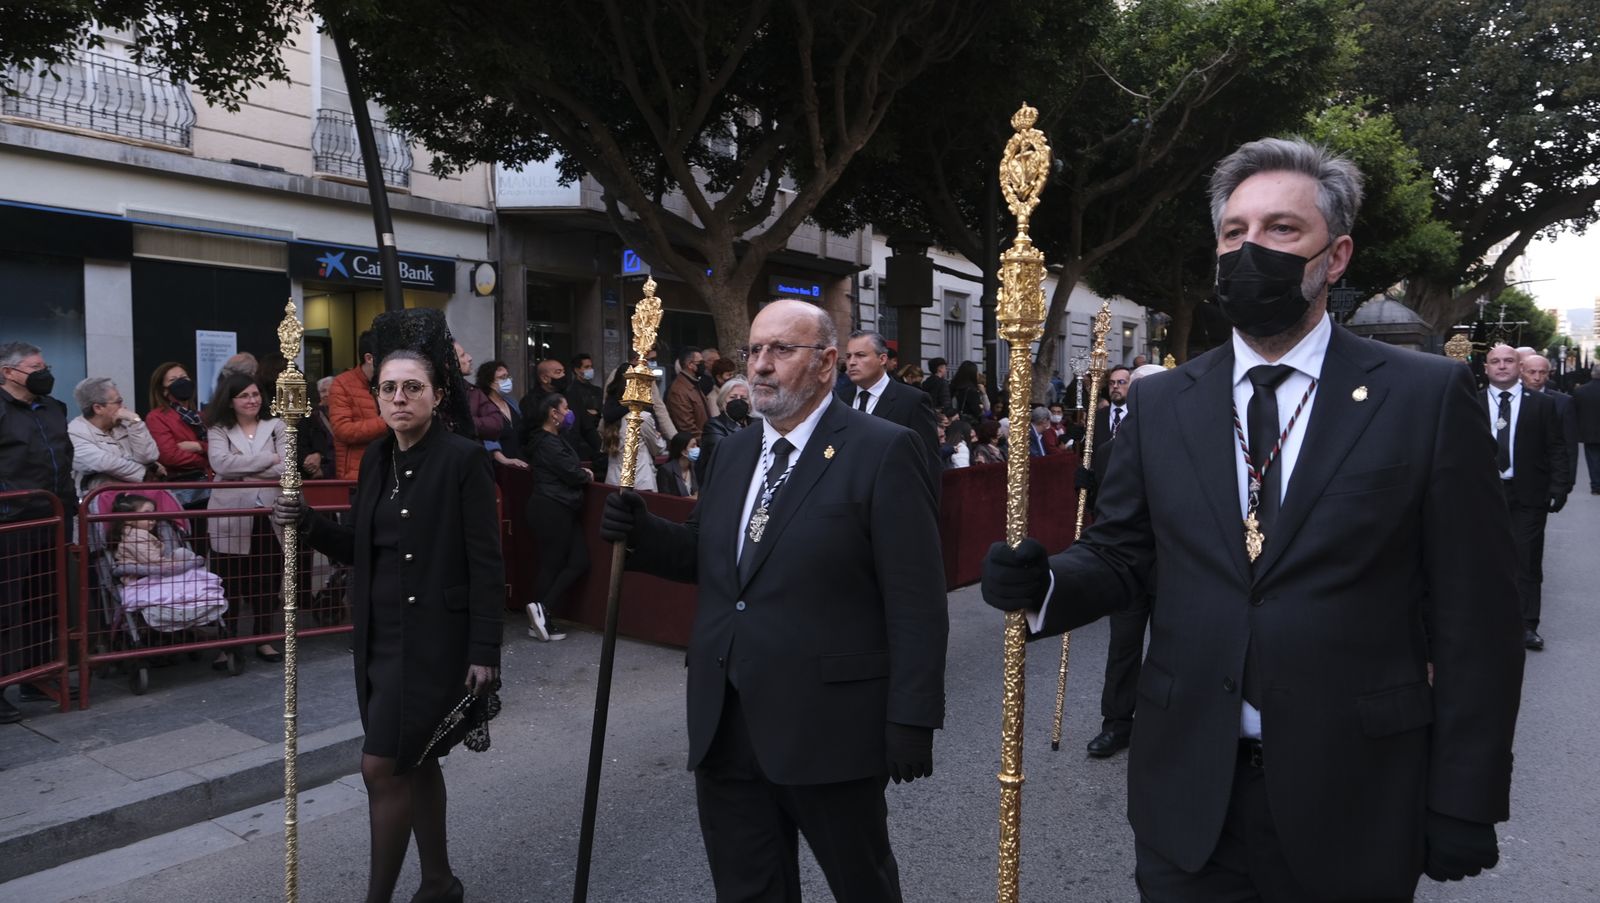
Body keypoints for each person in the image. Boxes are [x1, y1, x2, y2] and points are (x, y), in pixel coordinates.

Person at [981, 137, 1523, 901]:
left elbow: (1478, 616)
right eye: (1234, 232)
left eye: (1281, 229)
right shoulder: (1163, 401)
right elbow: (1121, 553)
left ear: (1335, 257)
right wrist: (1043, 585)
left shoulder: (1423, 397)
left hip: (1356, 791)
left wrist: (1466, 795)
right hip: (1189, 796)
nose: (1250, 249)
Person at [600, 299, 946, 902]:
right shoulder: (733, 452)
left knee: (862, 885)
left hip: (829, 724)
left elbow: (915, 596)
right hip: (726, 717)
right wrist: (642, 532)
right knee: (748, 890)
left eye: (781, 350)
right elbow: (711, 558)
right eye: (754, 350)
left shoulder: (882, 449)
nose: (760, 365)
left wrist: (913, 716)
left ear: (826, 363)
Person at [272, 348, 503, 903]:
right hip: (379, 637)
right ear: (376, 396)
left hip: (436, 642)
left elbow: (486, 562)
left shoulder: (463, 459)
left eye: (412, 387)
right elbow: (361, 545)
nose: (399, 398)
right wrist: (307, 523)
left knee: (382, 766)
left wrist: (485, 648)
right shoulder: (376, 458)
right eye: (389, 388)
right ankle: (440, 882)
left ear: (437, 395)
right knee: (414, 761)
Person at [0, 342, 75, 722]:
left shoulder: (54, 408)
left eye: (46, 366)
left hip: (55, 517)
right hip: (12, 521)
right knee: (6, 606)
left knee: (44, 601)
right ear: (8, 372)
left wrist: (70, 506)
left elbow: (65, 457)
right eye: (35, 367)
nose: (44, 373)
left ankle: (36, 674)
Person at [1083, 362, 1150, 760]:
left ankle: (1174, 722)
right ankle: (1116, 723)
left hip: (1176, 565)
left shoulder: (1191, 446)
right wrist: (1086, 486)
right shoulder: (1109, 451)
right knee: (1123, 646)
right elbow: (1102, 513)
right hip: (1129, 565)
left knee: (1176, 646)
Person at [1484, 343, 1570, 650]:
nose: (1502, 366)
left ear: (1519, 367)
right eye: (1495, 361)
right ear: (1486, 368)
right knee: (1484, 558)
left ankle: (1526, 625)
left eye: (1508, 360)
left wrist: (1560, 486)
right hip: (1483, 495)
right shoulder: (1470, 402)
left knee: (1526, 559)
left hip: (1528, 494)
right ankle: (1487, 621)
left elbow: (1556, 447)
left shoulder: (1542, 404)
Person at [205, 372, 287, 663]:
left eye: (255, 394)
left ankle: (263, 640)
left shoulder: (277, 425)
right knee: (229, 581)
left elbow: (287, 466)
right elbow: (221, 463)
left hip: (269, 514)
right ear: (230, 401)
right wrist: (269, 459)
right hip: (230, 515)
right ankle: (227, 644)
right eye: (244, 396)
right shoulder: (218, 429)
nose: (252, 400)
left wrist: (243, 471)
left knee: (267, 579)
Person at [108, 494, 229, 654]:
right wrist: (178, 564)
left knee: (182, 557)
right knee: (187, 566)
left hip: (149, 573)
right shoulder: (136, 537)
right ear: (128, 519)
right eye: (147, 514)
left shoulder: (135, 534)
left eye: (154, 513)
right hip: (143, 578)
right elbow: (154, 562)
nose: (153, 519)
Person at [523, 393, 592, 643]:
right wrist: (584, 474)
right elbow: (572, 473)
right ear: (553, 413)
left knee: (578, 561)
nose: (569, 412)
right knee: (552, 564)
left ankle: (541, 610)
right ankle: (541, 614)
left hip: (561, 506)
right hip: (552, 507)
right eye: (565, 408)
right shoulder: (547, 443)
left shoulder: (553, 439)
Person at [839, 330, 942, 473]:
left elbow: (929, 461)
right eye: (848, 356)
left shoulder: (913, 400)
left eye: (860, 355)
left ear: (882, 359)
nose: (852, 362)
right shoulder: (838, 398)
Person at [68, 377, 161, 496]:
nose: (123, 407)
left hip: (140, 495)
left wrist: (135, 422)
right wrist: (146, 472)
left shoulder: (125, 424)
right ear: (98, 408)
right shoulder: (75, 432)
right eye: (119, 402)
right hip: (101, 501)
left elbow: (148, 457)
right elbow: (105, 463)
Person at [147, 362, 212, 507]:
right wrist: (207, 459)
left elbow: (220, 448)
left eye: (184, 378)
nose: (181, 382)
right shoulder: (156, 417)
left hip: (210, 485)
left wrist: (198, 446)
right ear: (164, 391)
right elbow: (170, 456)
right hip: (184, 490)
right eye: (173, 380)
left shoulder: (201, 416)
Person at [329, 331, 389, 481]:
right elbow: (343, 430)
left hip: (389, 469)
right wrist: (386, 422)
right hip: (357, 474)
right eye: (386, 355)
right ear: (369, 358)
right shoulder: (342, 383)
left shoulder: (390, 381)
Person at [1520, 354, 1579, 488]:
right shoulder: (1508, 398)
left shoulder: (1563, 402)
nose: (1537, 377)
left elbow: (1570, 444)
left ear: (1548, 374)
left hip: (1547, 476)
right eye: (1531, 372)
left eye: (1542, 372)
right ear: (1521, 372)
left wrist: (1568, 480)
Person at [470, 360, 528, 469]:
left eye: (507, 376)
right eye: (502, 377)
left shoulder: (511, 402)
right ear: (490, 382)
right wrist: (503, 459)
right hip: (498, 464)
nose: (507, 381)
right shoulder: (484, 406)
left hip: (519, 461)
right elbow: (488, 434)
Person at [698, 377, 752, 484]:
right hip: (722, 484)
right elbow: (727, 455)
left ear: (750, 403)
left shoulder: (757, 424)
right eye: (733, 397)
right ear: (723, 401)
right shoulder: (714, 425)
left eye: (743, 398)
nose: (738, 401)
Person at [666, 346, 711, 438]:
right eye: (700, 362)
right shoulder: (679, 390)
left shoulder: (693, 384)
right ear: (690, 365)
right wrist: (705, 441)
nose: (704, 365)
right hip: (694, 443)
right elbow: (686, 426)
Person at [567, 352, 604, 463]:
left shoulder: (597, 390)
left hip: (598, 435)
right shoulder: (570, 391)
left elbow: (601, 411)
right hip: (580, 441)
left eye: (591, 366)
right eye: (586, 367)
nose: (590, 370)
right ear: (577, 370)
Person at [1575, 365, 1600, 494]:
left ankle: (1596, 486)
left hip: (1589, 431)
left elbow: (1575, 411)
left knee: (1593, 459)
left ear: (1592, 374)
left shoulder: (1580, 391)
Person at [656, 431, 700, 498]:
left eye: (696, 445)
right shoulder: (666, 470)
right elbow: (665, 499)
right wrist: (693, 498)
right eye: (693, 446)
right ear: (683, 452)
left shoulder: (696, 468)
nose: (697, 449)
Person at [948, 361, 985, 426]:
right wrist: (981, 407)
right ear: (972, 374)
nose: (978, 374)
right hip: (969, 424)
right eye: (977, 372)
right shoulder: (972, 391)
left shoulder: (953, 387)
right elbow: (977, 411)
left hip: (954, 421)